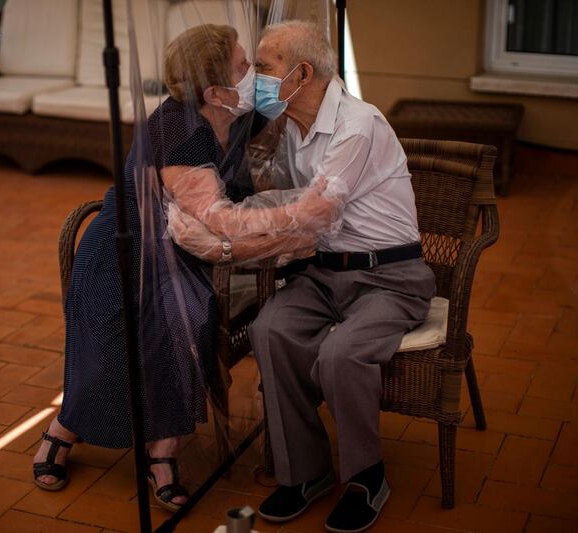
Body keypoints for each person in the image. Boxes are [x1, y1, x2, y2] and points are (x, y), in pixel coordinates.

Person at [32, 24, 331, 512]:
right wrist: (301, 218)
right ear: (214, 90)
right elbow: (221, 221)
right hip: (121, 256)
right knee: (154, 328)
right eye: (243, 66)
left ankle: (162, 451)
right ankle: (63, 427)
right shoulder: (181, 131)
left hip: (177, 252)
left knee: (190, 317)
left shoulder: (229, 112)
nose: (252, 74)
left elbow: (292, 93)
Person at [248, 21, 436, 532]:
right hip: (323, 274)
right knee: (269, 330)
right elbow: (277, 195)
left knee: (341, 353)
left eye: (263, 68)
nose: (255, 78)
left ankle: (366, 477)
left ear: (300, 73)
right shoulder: (289, 125)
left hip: (390, 276)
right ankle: (305, 473)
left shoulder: (359, 123)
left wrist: (230, 233)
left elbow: (312, 211)